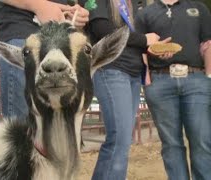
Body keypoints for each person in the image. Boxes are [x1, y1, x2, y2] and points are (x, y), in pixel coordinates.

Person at [85, 0, 167, 179]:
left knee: (122, 141)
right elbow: (102, 29)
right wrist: (144, 39)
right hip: (111, 69)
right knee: (119, 139)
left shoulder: (138, 3)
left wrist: (155, 47)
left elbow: (141, 37)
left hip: (134, 73)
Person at [136, 0, 211, 179]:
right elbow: (140, 48)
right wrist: (147, 80)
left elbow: (208, 43)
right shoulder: (145, 13)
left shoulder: (199, 8)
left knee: (202, 139)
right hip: (160, 82)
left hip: (196, 80)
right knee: (171, 144)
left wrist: (209, 76)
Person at [0, 0, 90, 120]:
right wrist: (39, 6)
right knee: (23, 129)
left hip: (56, 40)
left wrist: (73, 12)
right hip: (23, 36)